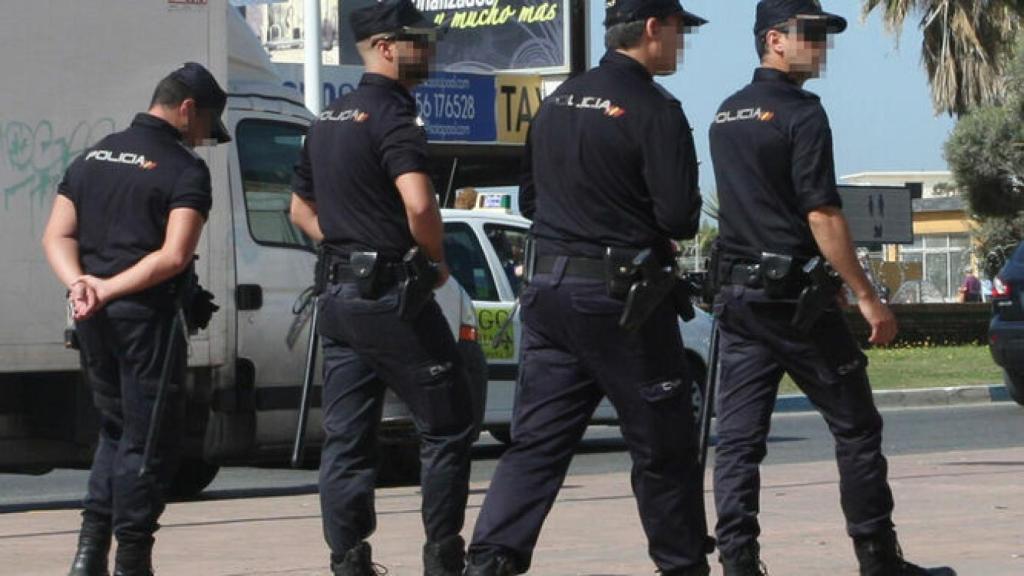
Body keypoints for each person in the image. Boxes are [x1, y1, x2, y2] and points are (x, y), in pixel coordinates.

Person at [707, 2, 956, 575]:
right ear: (774, 40)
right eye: (810, 34)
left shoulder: (726, 113)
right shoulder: (802, 112)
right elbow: (821, 213)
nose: (821, 46)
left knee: (740, 441)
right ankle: (878, 558)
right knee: (856, 425)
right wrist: (867, 294)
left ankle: (739, 563)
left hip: (740, 299)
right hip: (795, 304)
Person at [464, 1, 711, 574]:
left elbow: (530, 201)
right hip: (622, 302)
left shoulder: (556, 103)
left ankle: (490, 562)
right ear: (652, 28)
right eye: (679, 30)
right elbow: (679, 218)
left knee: (536, 445)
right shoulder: (655, 108)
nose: (682, 43)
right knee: (663, 445)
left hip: (549, 294)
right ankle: (683, 565)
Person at [288, 1, 475, 575]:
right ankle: (443, 559)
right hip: (392, 299)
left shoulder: (327, 119)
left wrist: (348, 245)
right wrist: (435, 261)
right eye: (420, 39)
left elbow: (299, 211)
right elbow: (419, 204)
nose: (431, 50)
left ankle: (349, 562)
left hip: (339, 298)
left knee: (346, 440)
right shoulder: (395, 114)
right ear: (387, 47)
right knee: (448, 424)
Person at [42, 62, 230, 576]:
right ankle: (131, 559)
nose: (203, 138)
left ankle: (88, 554)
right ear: (187, 109)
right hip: (147, 319)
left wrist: (81, 284)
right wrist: (107, 288)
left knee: (115, 429)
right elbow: (174, 256)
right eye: (205, 123)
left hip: (91, 318)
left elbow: (56, 235)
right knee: (148, 442)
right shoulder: (185, 170)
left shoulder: (93, 156)